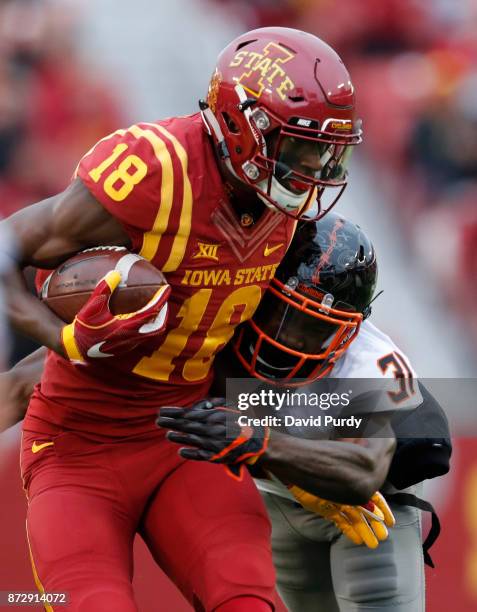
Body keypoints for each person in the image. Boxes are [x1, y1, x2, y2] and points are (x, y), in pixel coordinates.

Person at [0, 27, 362, 612]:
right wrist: (61, 336)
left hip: (186, 438)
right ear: (246, 129)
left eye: (327, 151)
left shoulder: (293, 222)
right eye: (301, 150)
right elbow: (6, 248)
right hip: (76, 447)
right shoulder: (156, 170)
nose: (316, 171)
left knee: (248, 599)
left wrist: (303, 454)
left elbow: (257, 359)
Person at [158, 213, 435, 612]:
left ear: (351, 330)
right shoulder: (221, 318)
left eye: (314, 329)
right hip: (277, 501)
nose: (289, 340)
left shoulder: (374, 363)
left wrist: (258, 443)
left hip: (373, 507)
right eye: (280, 315)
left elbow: (364, 471)